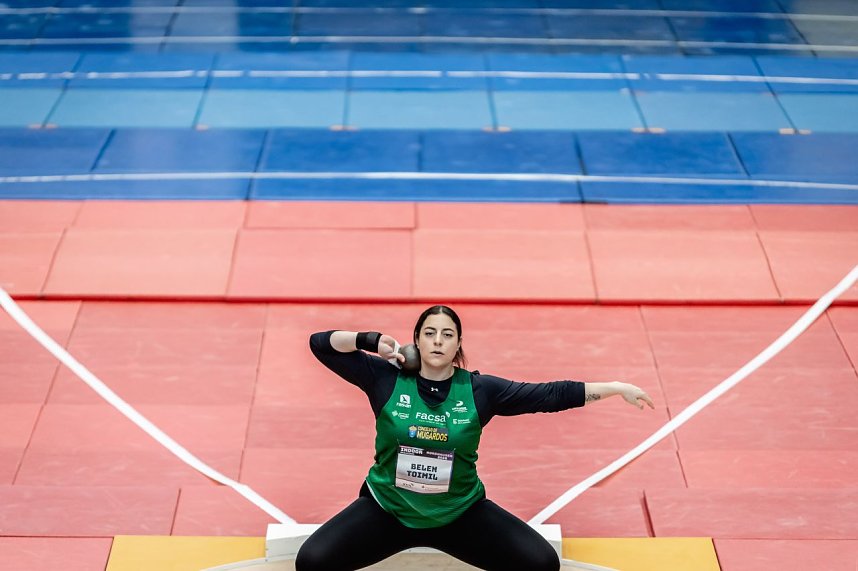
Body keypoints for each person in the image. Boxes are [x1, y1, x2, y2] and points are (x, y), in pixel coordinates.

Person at [296, 305, 655, 571]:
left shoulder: (480, 390)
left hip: (460, 514)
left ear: (458, 345)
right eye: (430, 333)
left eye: (447, 334)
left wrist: (614, 388)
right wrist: (370, 341)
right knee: (311, 562)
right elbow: (320, 345)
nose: (438, 340)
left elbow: (548, 395)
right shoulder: (384, 379)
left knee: (542, 564)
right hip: (388, 510)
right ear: (417, 341)